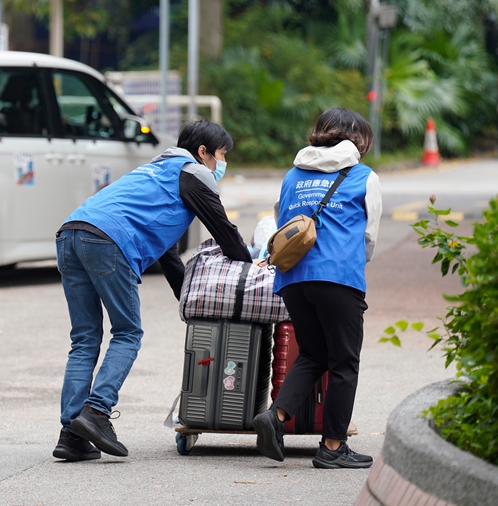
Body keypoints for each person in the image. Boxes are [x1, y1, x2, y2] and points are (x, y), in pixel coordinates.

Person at [54, 120, 253, 461]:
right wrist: (252, 268)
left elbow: (170, 257)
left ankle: (71, 436)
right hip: (107, 240)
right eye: (221, 155)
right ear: (203, 152)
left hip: (70, 233)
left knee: (85, 338)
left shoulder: (155, 172)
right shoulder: (193, 174)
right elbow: (226, 234)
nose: (222, 163)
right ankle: (97, 412)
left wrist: (191, 305)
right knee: (128, 333)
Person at [252, 107, 382, 469]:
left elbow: (283, 221)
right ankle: (333, 447)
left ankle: (275, 416)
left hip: (293, 278)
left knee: (313, 353)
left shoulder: (293, 175)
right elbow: (369, 237)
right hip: (339, 277)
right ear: (359, 139)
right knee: (344, 362)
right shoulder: (363, 176)